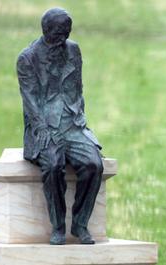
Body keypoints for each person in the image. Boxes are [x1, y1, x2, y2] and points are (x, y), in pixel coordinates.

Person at [17, 8, 103, 245]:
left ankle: (80, 223)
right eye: (59, 33)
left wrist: (79, 118)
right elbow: (30, 99)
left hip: (72, 123)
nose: (63, 38)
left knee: (94, 164)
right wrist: (42, 129)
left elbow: (78, 88)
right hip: (45, 126)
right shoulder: (28, 58)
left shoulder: (73, 50)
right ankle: (57, 226)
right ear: (46, 31)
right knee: (53, 166)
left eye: (66, 33)